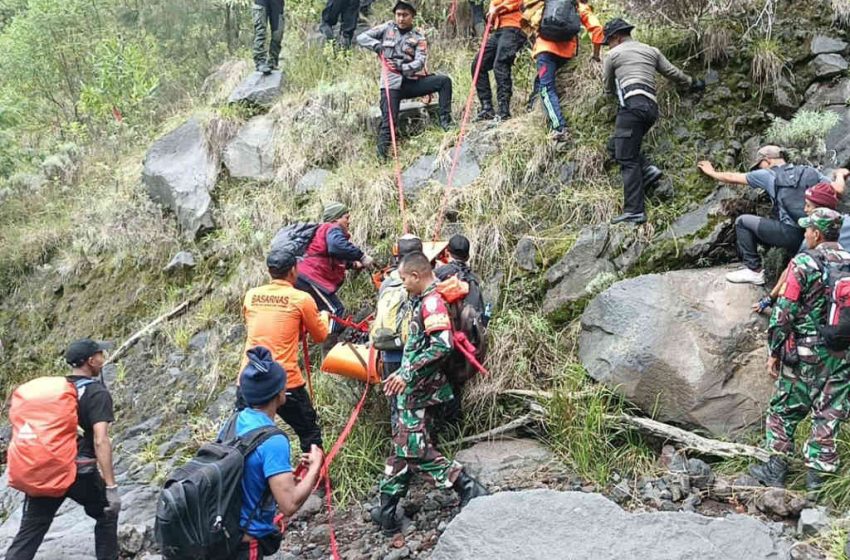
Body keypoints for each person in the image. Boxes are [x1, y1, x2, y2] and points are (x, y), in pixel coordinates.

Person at [374, 251, 488, 535]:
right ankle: (386, 511)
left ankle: (469, 487)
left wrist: (406, 372)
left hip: (419, 390)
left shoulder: (432, 302)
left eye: (404, 279)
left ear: (416, 276)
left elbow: (442, 344)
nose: (403, 285)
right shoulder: (422, 299)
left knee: (416, 450)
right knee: (402, 447)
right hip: (413, 389)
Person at [749, 208, 850, 494]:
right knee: (830, 411)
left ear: (817, 233)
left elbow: (785, 313)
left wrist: (774, 350)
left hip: (804, 354)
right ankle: (818, 480)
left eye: (808, 229)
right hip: (842, 353)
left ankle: (776, 469)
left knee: (783, 409)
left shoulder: (804, 263)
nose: (805, 233)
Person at [6, 339, 120, 560]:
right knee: (107, 513)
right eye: (100, 355)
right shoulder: (96, 393)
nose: (103, 359)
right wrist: (111, 487)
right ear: (90, 360)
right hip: (80, 473)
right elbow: (101, 440)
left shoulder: (59, 391)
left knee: (31, 531)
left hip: (47, 468)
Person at [602, 18, 704, 225]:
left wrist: (614, 97)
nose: (608, 45)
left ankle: (634, 211)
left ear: (616, 37)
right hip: (651, 110)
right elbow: (673, 73)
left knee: (627, 160)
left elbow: (607, 87)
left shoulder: (612, 55)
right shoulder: (651, 50)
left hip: (631, 108)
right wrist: (693, 82)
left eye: (609, 41)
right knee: (617, 146)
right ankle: (648, 170)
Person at [698, 147, 848, 285]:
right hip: (819, 234)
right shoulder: (809, 171)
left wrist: (712, 172)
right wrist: (840, 174)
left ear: (767, 160)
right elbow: (839, 190)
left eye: (758, 165)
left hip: (793, 236)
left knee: (743, 222)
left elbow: (733, 177)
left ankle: (754, 271)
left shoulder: (767, 174)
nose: (758, 169)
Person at [228, 346, 324, 560]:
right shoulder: (274, 440)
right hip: (246, 543)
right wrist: (315, 468)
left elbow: (243, 469)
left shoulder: (235, 421)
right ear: (279, 394)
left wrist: (280, 476)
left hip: (223, 531)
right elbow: (288, 506)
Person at [240, 248, 330, 454]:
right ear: (293, 270)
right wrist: (323, 317)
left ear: (269, 271)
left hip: (249, 379)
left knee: (245, 437)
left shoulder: (251, 296)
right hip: (284, 379)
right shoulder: (301, 299)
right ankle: (315, 479)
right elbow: (320, 336)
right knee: (309, 432)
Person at [357, 1, 454, 160]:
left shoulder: (418, 36)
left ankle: (446, 122)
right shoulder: (387, 28)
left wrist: (403, 67)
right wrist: (377, 46)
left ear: (412, 17)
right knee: (389, 123)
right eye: (398, 15)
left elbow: (420, 61)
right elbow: (361, 37)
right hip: (390, 84)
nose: (401, 18)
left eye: (405, 15)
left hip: (411, 82)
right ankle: (381, 157)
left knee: (444, 82)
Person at [755, 183, 849, 313]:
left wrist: (769, 298)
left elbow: (791, 270)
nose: (805, 209)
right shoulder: (846, 222)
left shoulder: (812, 240)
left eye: (809, 205)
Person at [530, 0, 604, 142]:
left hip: (545, 52)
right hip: (566, 54)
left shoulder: (547, 3)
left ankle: (558, 128)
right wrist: (596, 55)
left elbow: (531, 21)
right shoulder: (578, 5)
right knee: (540, 82)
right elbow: (597, 29)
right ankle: (532, 108)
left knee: (546, 88)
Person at [434, 234, 486, 431]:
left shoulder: (440, 274)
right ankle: (454, 428)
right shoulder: (474, 281)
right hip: (467, 343)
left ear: (448, 251)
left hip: (443, 337)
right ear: (468, 254)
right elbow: (480, 315)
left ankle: (438, 429)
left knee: (439, 382)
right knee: (456, 385)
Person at [296, 202, 374, 333]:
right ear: (336, 218)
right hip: (310, 277)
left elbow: (329, 255)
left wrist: (354, 264)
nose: (349, 222)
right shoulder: (332, 227)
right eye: (346, 217)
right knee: (334, 310)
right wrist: (362, 256)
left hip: (303, 276)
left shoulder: (323, 232)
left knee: (319, 314)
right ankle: (331, 347)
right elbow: (336, 246)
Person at [473, 0, 524, 121]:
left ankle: (503, 110)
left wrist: (497, 9)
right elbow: (493, 4)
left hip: (514, 27)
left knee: (500, 64)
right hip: (499, 29)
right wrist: (492, 12)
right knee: (478, 65)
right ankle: (487, 107)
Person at [253, 0, 285, 74]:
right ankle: (260, 61)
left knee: (278, 33)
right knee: (260, 31)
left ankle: (273, 61)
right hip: (261, 2)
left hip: (278, 3)